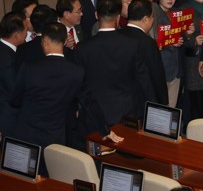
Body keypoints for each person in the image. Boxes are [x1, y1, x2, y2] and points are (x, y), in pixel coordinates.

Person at [11, 22, 123, 176]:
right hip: (55, 136)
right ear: (65, 41)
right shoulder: (76, 72)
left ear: (44, 42)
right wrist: (105, 130)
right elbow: (89, 103)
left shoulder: (28, 68)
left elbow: (14, 100)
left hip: (26, 133)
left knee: (21, 180)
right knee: (52, 178)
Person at [75, 0, 157, 125]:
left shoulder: (82, 48)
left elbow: (80, 85)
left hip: (95, 116)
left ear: (96, 15)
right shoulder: (132, 44)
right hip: (127, 114)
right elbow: (144, 81)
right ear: (118, 17)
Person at [119, 0, 168, 106]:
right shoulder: (147, 43)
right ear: (146, 19)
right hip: (142, 101)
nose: (153, 20)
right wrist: (163, 103)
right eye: (152, 17)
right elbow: (156, 76)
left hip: (120, 101)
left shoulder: (117, 36)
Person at [181, 0, 203, 121]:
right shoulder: (184, 10)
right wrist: (191, 39)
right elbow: (178, 39)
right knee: (196, 103)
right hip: (193, 62)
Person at [154, 0, 186, 108]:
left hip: (176, 68)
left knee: (172, 108)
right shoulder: (153, 13)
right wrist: (170, 42)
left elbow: (184, 41)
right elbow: (153, 41)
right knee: (158, 108)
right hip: (160, 67)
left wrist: (188, 34)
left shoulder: (178, 13)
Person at [0, 11, 27, 137]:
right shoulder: (7, 58)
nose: (27, 34)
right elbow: (14, 90)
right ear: (16, 35)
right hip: (9, 117)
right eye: (25, 30)